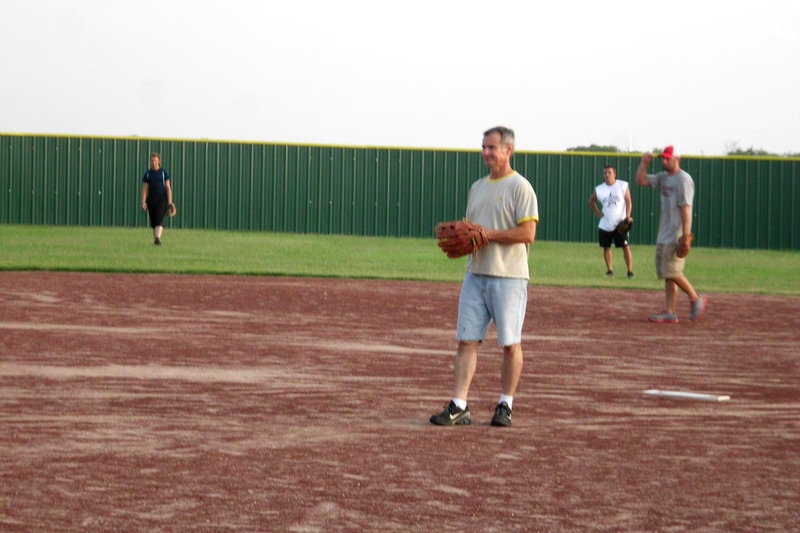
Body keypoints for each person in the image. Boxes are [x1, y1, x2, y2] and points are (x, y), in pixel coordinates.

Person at [430, 126, 539, 427]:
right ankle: (459, 404)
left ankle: (506, 404)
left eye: (492, 147)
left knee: (509, 343)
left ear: (508, 150)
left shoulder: (520, 187)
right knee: (466, 340)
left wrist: (487, 234)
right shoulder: (477, 187)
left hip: (509, 277)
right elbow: (472, 231)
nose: (486, 153)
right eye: (484, 147)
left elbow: (528, 233)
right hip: (475, 275)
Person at [635, 145, 706, 323]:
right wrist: (644, 162)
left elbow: (686, 208)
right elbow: (640, 180)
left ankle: (695, 298)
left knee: (672, 271)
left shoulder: (684, 179)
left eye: (668, 158)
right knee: (668, 274)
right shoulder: (664, 177)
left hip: (676, 234)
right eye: (663, 158)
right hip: (664, 232)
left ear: (677, 159)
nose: (664, 161)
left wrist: (686, 235)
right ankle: (670, 311)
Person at [588, 165, 634, 278]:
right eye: (605, 173)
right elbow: (591, 201)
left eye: (609, 172)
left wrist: (627, 217)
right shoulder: (600, 189)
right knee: (606, 247)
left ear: (615, 174)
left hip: (620, 223)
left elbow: (628, 201)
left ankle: (630, 271)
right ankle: (610, 270)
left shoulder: (622, 185)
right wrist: (598, 213)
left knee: (625, 246)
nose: (607, 175)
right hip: (605, 224)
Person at [141, 152, 174, 246]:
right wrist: (143, 201)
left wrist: (170, 201)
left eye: (155, 160)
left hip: (162, 199)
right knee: (154, 221)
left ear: (159, 161)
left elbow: (168, 187)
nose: (153, 162)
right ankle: (156, 239)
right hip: (151, 199)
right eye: (151, 160)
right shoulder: (147, 174)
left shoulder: (163, 173)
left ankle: (157, 238)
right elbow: (144, 189)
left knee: (159, 219)